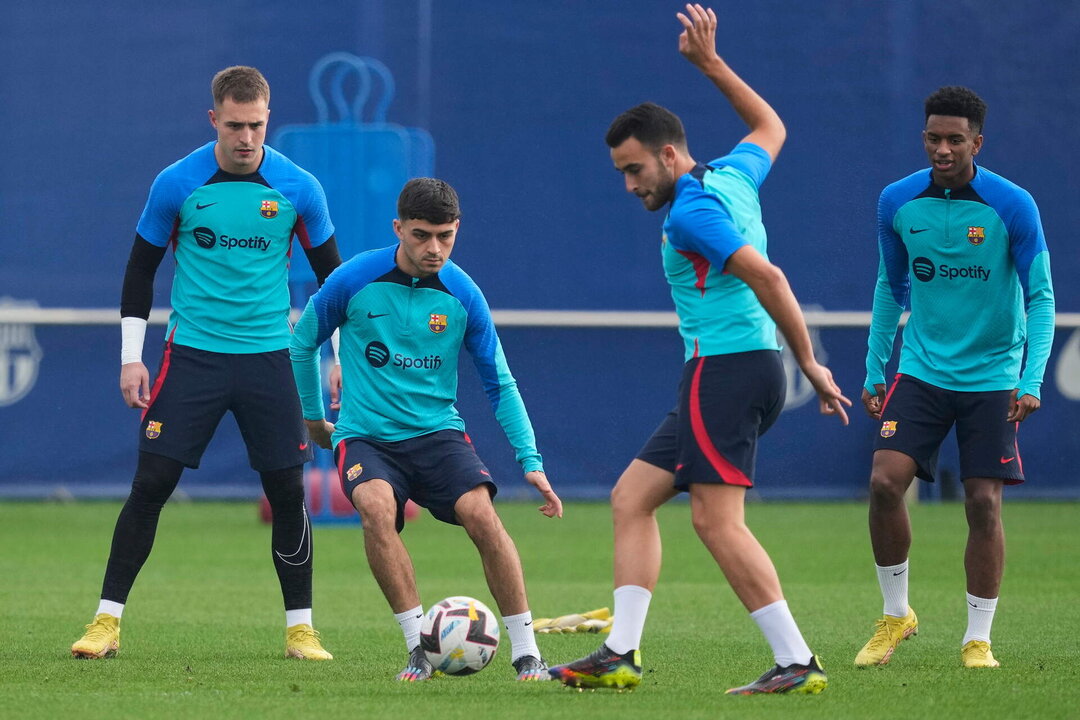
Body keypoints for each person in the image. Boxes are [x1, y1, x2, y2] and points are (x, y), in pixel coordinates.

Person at [548, 4, 850, 696]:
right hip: (735, 370)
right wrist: (711, 64)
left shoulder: (692, 209)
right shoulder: (735, 175)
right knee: (632, 497)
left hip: (729, 369)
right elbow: (771, 126)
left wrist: (809, 360)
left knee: (716, 520)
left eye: (634, 170)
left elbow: (768, 276)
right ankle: (620, 650)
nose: (630, 186)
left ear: (669, 155)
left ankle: (797, 661)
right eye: (622, 173)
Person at [70, 66, 341, 661]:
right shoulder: (177, 183)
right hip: (192, 358)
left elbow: (335, 282)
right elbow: (139, 271)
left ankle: (301, 630)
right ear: (213, 119)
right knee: (151, 485)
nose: (247, 138)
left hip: (270, 360)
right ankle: (105, 622)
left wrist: (336, 359)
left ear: (270, 120)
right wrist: (129, 359)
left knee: (287, 491)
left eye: (258, 125)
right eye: (236, 125)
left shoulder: (299, 188)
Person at [290, 177, 562, 682]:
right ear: (398, 228)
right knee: (375, 507)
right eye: (420, 235)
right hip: (366, 436)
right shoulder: (353, 279)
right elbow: (302, 341)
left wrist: (532, 461)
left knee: (482, 514)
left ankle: (527, 654)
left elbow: (499, 382)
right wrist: (312, 418)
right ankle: (419, 647)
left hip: (438, 435)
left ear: (457, 230)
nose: (434, 248)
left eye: (445, 236)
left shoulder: (464, 294)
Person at [854, 86, 1055, 669]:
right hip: (921, 369)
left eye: (955, 140)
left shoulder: (1013, 205)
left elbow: (1040, 297)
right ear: (924, 138)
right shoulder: (896, 201)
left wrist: (1030, 379)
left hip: (992, 376)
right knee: (885, 482)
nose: (943, 150)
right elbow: (891, 289)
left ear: (977, 143)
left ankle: (977, 639)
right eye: (933, 139)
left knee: (982, 503)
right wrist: (875, 369)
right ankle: (896, 616)